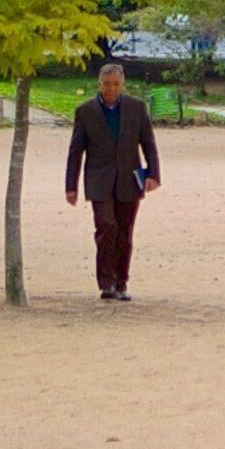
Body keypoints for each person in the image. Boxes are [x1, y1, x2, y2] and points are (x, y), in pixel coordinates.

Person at [63, 61, 162, 302]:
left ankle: (121, 282)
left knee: (125, 232)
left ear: (123, 84)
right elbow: (76, 150)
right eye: (107, 84)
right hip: (99, 178)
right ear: (100, 84)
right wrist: (71, 185)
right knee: (107, 226)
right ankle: (106, 282)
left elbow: (148, 142)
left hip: (130, 178)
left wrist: (153, 174)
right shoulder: (86, 111)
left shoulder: (137, 108)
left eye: (116, 84)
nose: (111, 89)